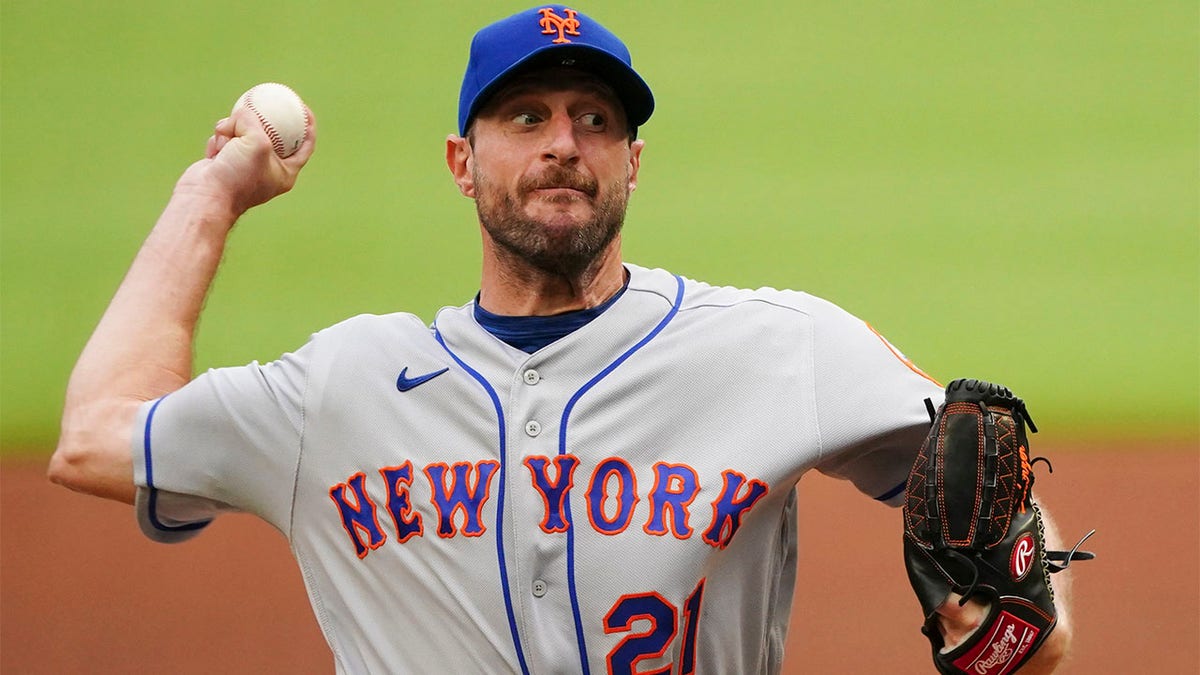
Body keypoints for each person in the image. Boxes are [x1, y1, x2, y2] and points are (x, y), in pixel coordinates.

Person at [49, 5, 1074, 673]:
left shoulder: (778, 347)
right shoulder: (341, 389)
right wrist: (211, 194)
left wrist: (1025, 630)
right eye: (527, 116)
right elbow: (96, 435)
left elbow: (984, 468)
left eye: (593, 120)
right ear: (463, 160)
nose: (562, 146)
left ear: (633, 162)